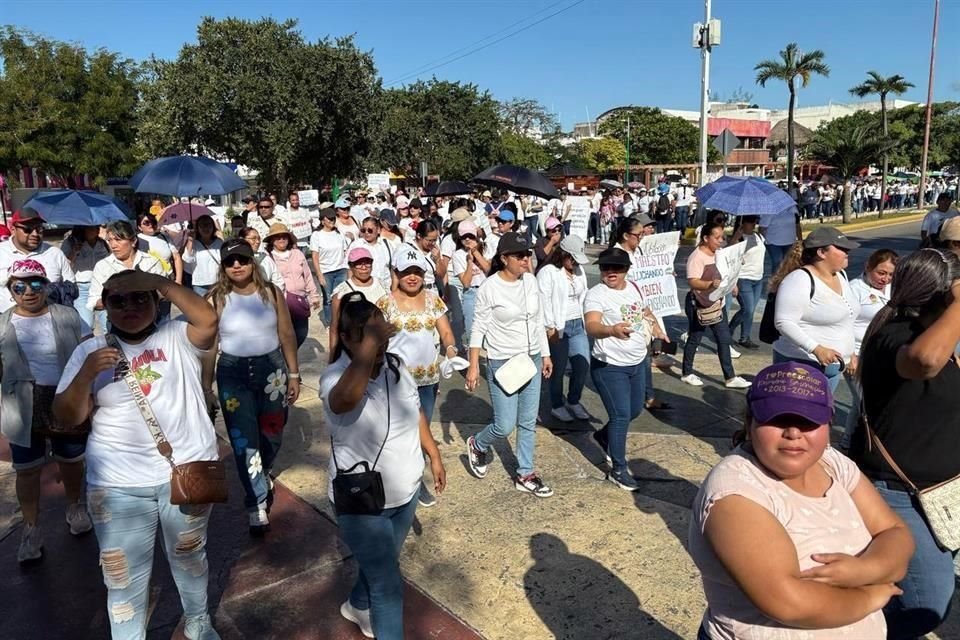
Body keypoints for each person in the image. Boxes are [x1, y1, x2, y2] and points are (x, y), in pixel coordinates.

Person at [688, 361, 914, 640]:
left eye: (808, 420)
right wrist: (871, 597)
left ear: (829, 424)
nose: (794, 433)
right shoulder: (735, 492)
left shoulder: (832, 462)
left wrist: (864, 570)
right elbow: (788, 603)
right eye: (778, 419)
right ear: (749, 422)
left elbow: (895, 532)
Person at [53, 270, 222, 640]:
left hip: (188, 469)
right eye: (118, 300)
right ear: (105, 305)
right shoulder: (89, 350)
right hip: (117, 485)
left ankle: (198, 624)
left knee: (191, 560)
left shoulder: (178, 335)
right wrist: (85, 376)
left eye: (140, 298)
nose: (130, 306)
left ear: (156, 301)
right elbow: (66, 417)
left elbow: (209, 319)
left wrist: (157, 282)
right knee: (123, 579)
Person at [321, 293, 446, 640]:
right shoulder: (334, 377)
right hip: (362, 500)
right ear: (345, 339)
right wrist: (368, 349)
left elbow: (415, 410)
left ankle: (357, 604)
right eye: (365, 333)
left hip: (405, 491)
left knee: (382, 564)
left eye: (379, 332)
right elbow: (343, 401)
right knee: (388, 586)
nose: (378, 341)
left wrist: (433, 452)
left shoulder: (397, 366)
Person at [849, 248, 960, 639]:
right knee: (926, 602)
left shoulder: (943, 337)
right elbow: (925, 361)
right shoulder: (893, 335)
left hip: (942, 494)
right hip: (899, 493)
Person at [203, 239, 300, 535]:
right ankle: (256, 501)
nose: (237, 266)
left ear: (252, 262)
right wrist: (206, 386)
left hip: (271, 370)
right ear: (223, 266)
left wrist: (294, 374)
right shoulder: (216, 298)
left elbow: (286, 334)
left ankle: (263, 471)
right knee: (244, 440)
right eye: (230, 262)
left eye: (242, 260)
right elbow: (210, 346)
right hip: (233, 373)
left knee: (272, 432)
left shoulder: (271, 293)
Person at [1, 260, 91, 563]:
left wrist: (91, 392)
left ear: (47, 286)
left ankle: (75, 506)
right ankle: (31, 528)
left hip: (65, 396)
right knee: (26, 470)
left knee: (71, 460)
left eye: (37, 284)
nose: (29, 291)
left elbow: (89, 347)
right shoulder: (2, 324)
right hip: (23, 402)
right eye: (20, 286)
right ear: (11, 289)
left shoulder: (67, 316)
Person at [465, 232, 555, 498]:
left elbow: (537, 321)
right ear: (504, 259)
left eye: (527, 254)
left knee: (527, 422)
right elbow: (478, 328)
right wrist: (473, 365)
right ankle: (478, 443)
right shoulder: (490, 287)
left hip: (532, 358)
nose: (526, 260)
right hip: (503, 361)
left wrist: (546, 354)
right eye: (519, 256)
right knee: (505, 425)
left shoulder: (530, 282)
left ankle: (525, 473)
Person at [376, 248, 456, 508]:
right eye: (406, 272)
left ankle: (415, 479)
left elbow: (445, 332)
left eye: (418, 273)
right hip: (396, 383)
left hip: (428, 381)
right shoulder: (384, 304)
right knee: (404, 432)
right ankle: (406, 481)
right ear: (396, 273)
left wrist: (452, 349)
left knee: (422, 433)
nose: (412, 277)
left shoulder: (434, 300)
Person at [585, 248, 667, 490]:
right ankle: (618, 468)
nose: (610, 272)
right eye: (605, 267)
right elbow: (591, 325)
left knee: (633, 411)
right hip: (609, 365)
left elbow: (644, 311)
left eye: (616, 268)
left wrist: (657, 327)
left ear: (626, 270)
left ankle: (603, 436)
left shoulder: (633, 287)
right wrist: (611, 330)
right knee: (620, 415)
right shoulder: (596, 294)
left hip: (637, 361)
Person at [771, 226, 860, 393]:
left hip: (832, 367)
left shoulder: (841, 275)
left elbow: (847, 320)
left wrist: (851, 353)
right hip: (802, 365)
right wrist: (816, 349)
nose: (847, 252)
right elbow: (784, 322)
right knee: (799, 416)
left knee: (820, 415)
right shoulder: (799, 280)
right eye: (841, 248)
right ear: (821, 253)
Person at [681, 223, 752, 389]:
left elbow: (726, 271)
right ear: (706, 238)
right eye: (717, 237)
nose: (721, 241)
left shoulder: (720, 254)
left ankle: (730, 377)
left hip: (716, 302)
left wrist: (732, 282)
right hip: (698, 304)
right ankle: (687, 372)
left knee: (723, 339)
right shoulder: (696, 257)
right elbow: (693, 281)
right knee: (695, 338)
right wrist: (710, 285)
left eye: (722, 237)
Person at [839, 249, 897, 450]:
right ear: (867, 267)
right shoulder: (853, 289)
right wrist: (850, 356)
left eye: (890, 274)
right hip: (856, 353)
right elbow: (842, 323)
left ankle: (848, 441)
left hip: (880, 353)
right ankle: (872, 446)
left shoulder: (891, 289)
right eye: (881, 273)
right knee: (868, 402)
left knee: (859, 402)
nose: (885, 279)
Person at [537, 235, 590, 423]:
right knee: (557, 369)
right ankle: (557, 404)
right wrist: (549, 327)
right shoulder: (548, 272)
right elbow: (543, 301)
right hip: (558, 325)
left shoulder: (579, 271)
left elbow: (584, 295)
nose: (575, 263)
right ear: (563, 254)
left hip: (577, 323)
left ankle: (574, 400)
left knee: (583, 364)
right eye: (572, 258)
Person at [0, 209, 75, 313]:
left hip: (50, 320)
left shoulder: (55, 254)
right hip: (6, 323)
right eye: (28, 229)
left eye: (39, 229)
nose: (35, 234)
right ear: (13, 229)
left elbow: (71, 286)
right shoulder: (1, 252)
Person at [89, 220, 165, 313]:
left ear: (133, 241)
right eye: (109, 240)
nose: (113, 245)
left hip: (151, 319)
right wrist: (114, 298)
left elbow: (164, 291)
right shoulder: (102, 266)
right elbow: (93, 300)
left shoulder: (151, 262)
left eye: (118, 240)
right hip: (117, 322)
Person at [263, 223, 319, 348]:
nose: (281, 240)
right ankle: (285, 360)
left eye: (284, 237)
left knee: (301, 332)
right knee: (283, 333)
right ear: (272, 240)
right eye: (277, 237)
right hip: (281, 301)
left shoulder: (297, 254)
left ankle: (289, 355)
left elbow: (308, 275)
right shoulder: (268, 258)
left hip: (299, 299)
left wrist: (313, 295)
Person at [328, 247, 389, 362]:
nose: (364, 267)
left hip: (381, 345)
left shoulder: (383, 286)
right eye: (359, 264)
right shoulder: (341, 292)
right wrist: (333, 357)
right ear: (351, 266)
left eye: (367, 263)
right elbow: (334, 327)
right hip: (354, 349)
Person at [450, 220, 493, 353]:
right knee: (471, 332)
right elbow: (466, 283)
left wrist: (475, 253)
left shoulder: (487, 247)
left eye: (470, 236)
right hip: (471, 294)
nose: (467, 239)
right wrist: (469, 262)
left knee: (492, 331)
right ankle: (472, 365)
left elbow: (489, 270)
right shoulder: (458, 255)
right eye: (464, 237)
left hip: (488, 290)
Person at [61, 225, 109, 334]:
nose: (96, 230)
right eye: (92, 228)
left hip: (102, 287)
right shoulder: (70, 243)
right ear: (83, 229)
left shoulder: (103, 243)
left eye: (97, 227)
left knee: (108, 325)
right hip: (82, 289)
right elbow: (64, 266)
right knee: (86, 327)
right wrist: (74, 251)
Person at [728, 215, 766, 350]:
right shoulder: (739, 239)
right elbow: (729, 255)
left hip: (758, 278)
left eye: (755, 221)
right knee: (747, 309)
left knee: (751, 311)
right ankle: (729, 330)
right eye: (750, 221)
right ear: (742, 223)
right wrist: (735, 238)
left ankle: (745, 337)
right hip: (744, 279)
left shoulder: (759, 237)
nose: (753, 224)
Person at [310, 207, 349, 326]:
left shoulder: (339, 234)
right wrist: (319, 275)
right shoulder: (316, 235)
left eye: (333, 218)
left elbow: (345, 251)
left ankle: (340, 322)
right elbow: (315, 257)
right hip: (326, 271)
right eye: (329, 219)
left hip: (341, 270)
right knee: (328, 299)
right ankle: (330, 323)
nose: (332, 221)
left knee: (341, 298)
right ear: (322, 221)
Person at [181, 215, 224, 297]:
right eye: (202, 225)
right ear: (198, 228)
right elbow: (188, 259)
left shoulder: (219, 242)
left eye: (208, 225)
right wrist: (190, 241)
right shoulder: (194, 243)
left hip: (218, 282)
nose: (206, 228)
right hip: (200, 284)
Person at [349, 217, 394, 291]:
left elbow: (393, 268)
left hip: (385, 289)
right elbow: (349, 269)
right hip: (364, 289)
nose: (366, 233)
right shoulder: (356, 245)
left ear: (378, 230)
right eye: (363, 230)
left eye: (370, 230)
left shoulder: (387, 244)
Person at [238, 227, 286, 291]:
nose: (258, 242)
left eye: (259, 239)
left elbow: (278, 281)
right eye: (253, 238)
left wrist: (273, 296)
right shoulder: (234, 259)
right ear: (242, 239)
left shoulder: (266, 259)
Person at [405, 220, 446, 295]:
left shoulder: (435, 250)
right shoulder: (406, 248)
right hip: (414, 292)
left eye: (435, 240)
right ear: (419, 236)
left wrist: (438, 259)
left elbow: (441, 274)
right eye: (429, 240)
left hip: (432, 291)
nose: (433, 243)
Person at [760, 208, 801, 273]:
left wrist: (800, 239)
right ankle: (776, 282)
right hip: (773, 243)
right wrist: (765, 240)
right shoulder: (769, 210)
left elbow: (797, 225)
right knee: (777, 264)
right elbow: (762, 227)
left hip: (790, 241)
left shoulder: (793, 208)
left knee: (790, 264)